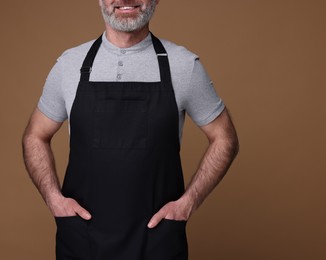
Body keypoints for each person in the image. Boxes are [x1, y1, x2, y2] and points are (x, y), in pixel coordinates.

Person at [22, 0, 239, 259]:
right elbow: (35, 135)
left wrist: (188, 203)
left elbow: (225, 138)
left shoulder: (183, 66)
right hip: (82, 241)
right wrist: (52, 198)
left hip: (157, 242)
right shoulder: (69, 65)